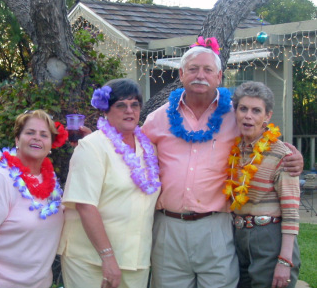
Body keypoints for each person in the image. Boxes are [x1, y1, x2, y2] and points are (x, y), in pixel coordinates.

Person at [142, 37, 304, 288]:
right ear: (182, 74)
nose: (200, 75)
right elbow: (132, 151)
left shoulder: (236, 114)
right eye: (193, 69)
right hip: (167, 226)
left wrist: (293, 156)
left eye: (208, 70)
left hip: (216, 225)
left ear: (219, 76)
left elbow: (266, 140)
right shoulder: (157, 118)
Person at [58, 78, 161, 288]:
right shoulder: (92, 146)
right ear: (105, 110)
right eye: (121, 105)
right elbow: (85, 205)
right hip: (91, 259)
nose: (129, 111)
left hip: (135, 259)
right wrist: (107, 257)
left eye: (135, 105)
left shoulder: (148, 148)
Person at [0, 110, 68, 288]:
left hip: (39, 283)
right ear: (17, 140)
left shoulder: (51, 183)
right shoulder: (0, 179)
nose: (37, 138)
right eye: (30, 133)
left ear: (51, 145)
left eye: (44, 135)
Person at [226, 82, 300, 288]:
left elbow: (292, 212)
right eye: (243, 109)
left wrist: (285, 261)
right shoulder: (234, 149)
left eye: (256, 110)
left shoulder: (283, 154)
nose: (248, 116)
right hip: (238, 238)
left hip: (270, 240)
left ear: (267, 116)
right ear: (236, 112)